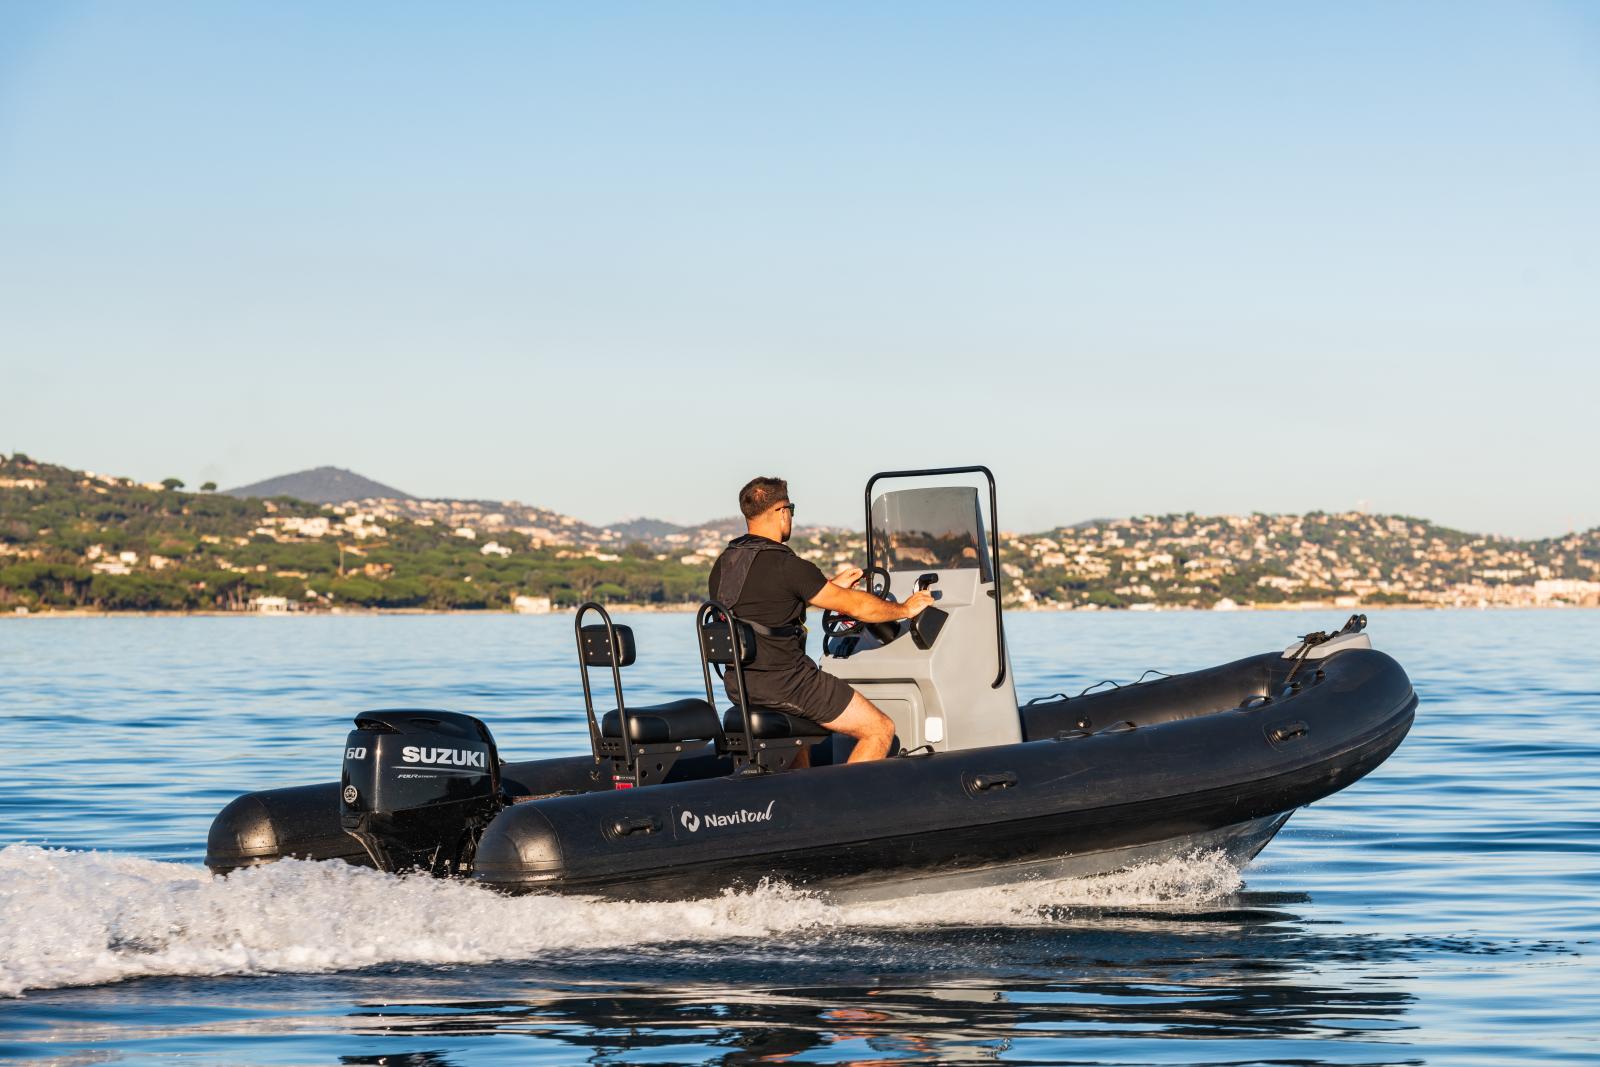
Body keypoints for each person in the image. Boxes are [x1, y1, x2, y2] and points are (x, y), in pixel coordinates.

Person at [708, 476, 935, 764]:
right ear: (782, 512)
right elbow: (858, 607)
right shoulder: (787, 565)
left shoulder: (724, 565)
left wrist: (829, 587)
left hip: (741, 685)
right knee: (879, 729)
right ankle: (846, 794)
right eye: (791, 509)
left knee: (800, 742)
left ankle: (800, 790)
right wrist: (905, 608)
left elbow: (769, 607)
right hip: (789, 683)